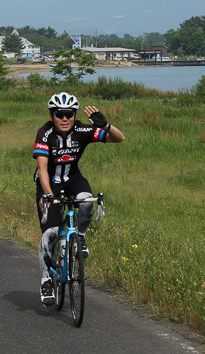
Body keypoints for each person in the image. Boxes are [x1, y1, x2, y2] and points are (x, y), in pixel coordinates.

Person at [34, 92, 125, 306]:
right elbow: (42, 167)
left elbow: (119, 138)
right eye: (59, 114)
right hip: (49, 183)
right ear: (51, 115)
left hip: (73, 178)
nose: (64, 119)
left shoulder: (82, 130)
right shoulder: (45, 133)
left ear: (75, 115)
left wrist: (107, 126)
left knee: (87, 200)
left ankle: (80, 236)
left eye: (69, 114)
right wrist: (48, 195)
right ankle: (46, 279)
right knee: (50, 233)